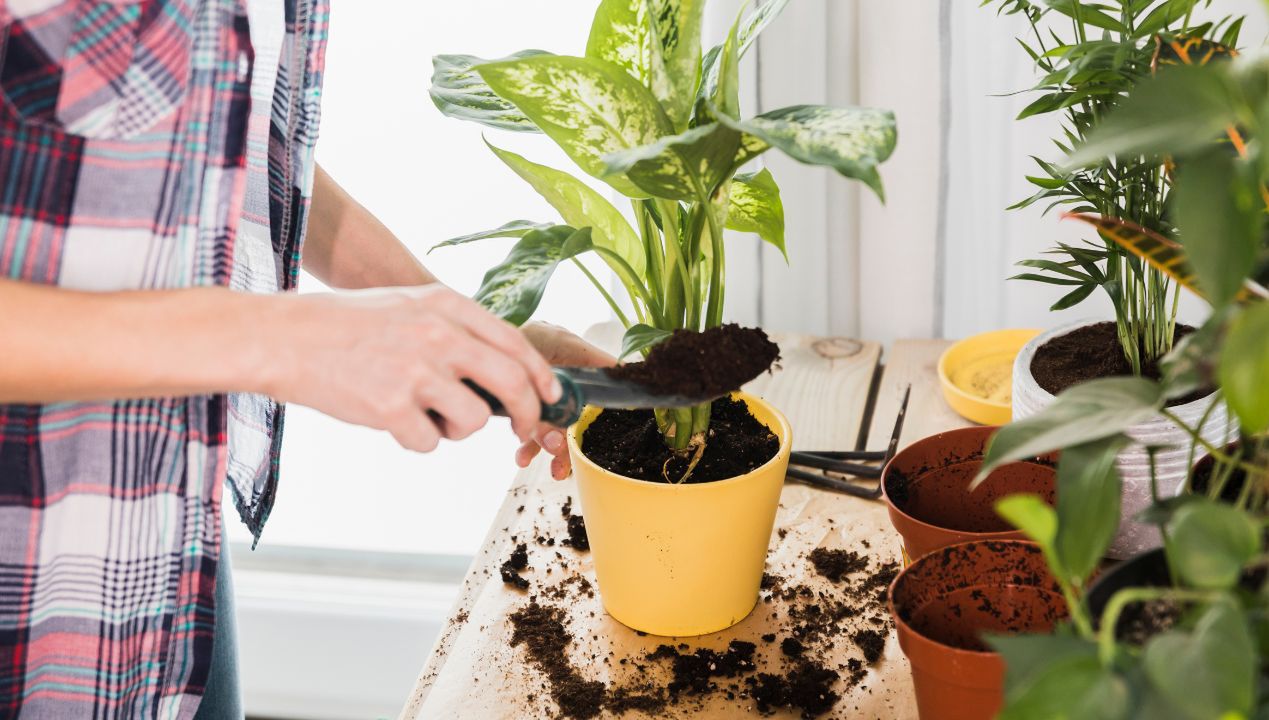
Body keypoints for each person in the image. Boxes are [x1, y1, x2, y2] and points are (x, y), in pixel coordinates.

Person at [0, 0, 610, 716]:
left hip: (155, 531)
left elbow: (220, 147)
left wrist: (470, 336)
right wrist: (277, 339)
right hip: (28, 572)